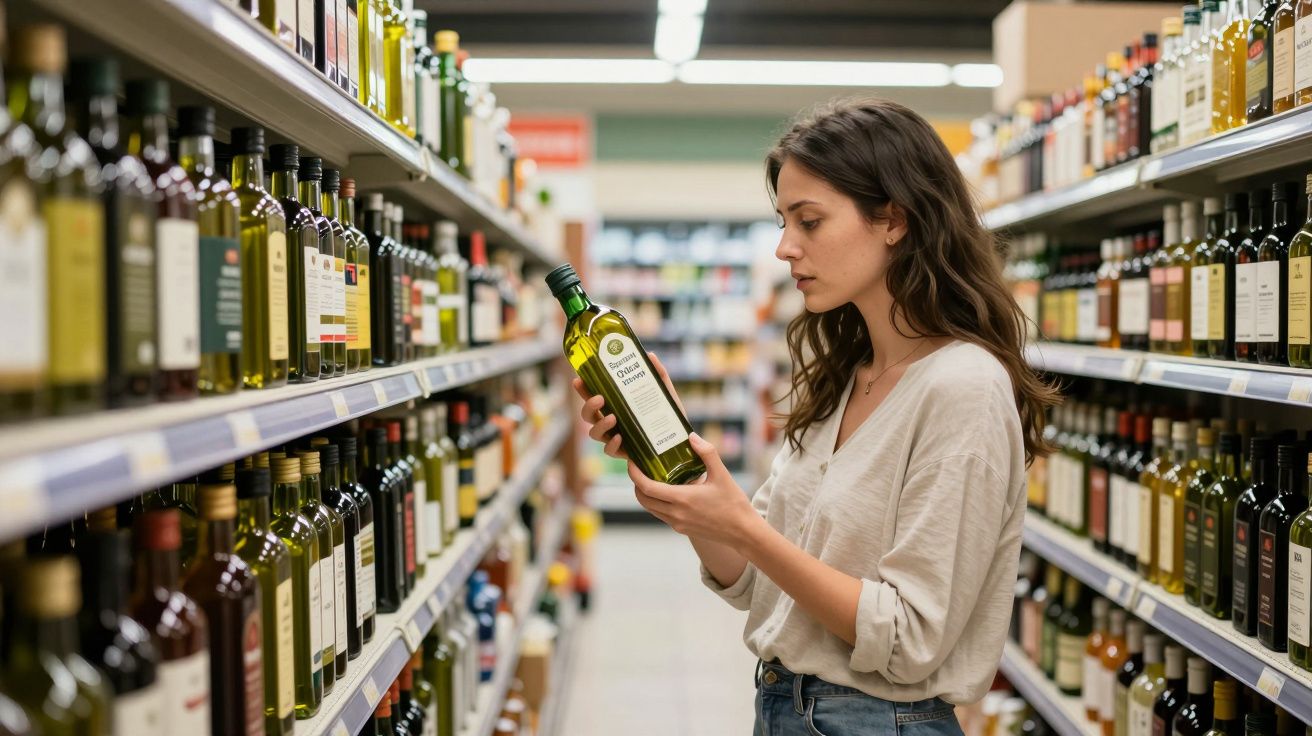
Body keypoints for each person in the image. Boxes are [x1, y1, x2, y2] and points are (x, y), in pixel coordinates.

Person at [574, 98, 1058, 735]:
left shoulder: (962, 387)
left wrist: (747, 529)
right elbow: (754, 584)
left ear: (894, 219)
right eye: (783, 221)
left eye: (809, 222)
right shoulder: (843, 377)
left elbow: (912, 636)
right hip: (785, 709)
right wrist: (676, 465)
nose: (783, 248)